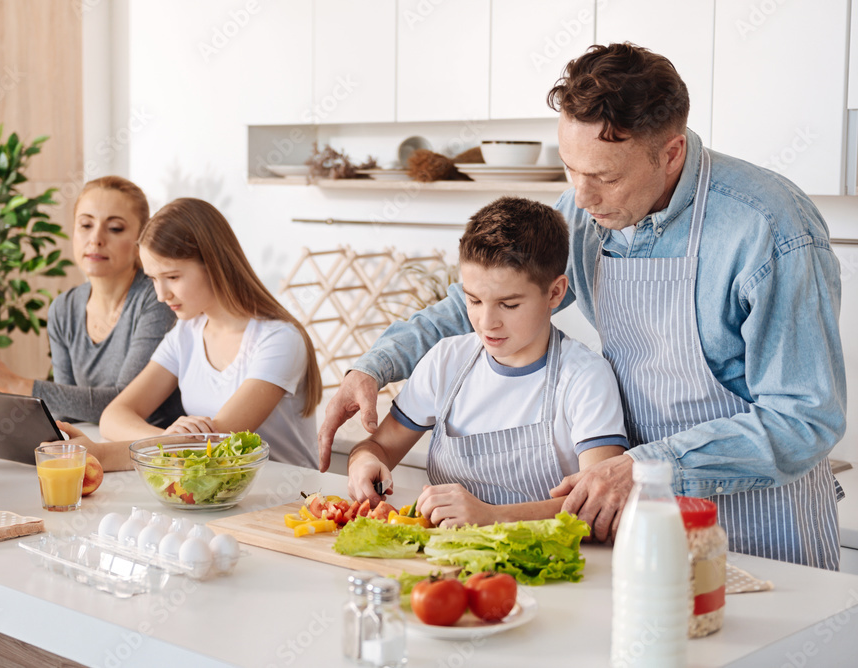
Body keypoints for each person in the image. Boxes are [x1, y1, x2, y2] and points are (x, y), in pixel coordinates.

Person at [320, 43, 846, 570]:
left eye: (606, 178)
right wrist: (375, 365)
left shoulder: (771, 229)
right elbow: (480, 301)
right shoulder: (586, 208)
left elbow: (805, 417)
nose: (583, 198)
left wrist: (644, 467)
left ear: (671, 153)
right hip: (634, 523)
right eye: (571, 169)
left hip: (758, 532)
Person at [347, 197, 629, 528]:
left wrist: (492, 517)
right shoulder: (446, 361)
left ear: (555, 293)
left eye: (508, 304)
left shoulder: (585, 377)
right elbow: (378, 446)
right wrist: (363, 461)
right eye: (474, 300)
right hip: (446, 562)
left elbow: (600, 501)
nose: (486, 322)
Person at [60, 197, 322, 471]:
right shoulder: (186, 333)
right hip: (217, 493)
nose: (161, 295)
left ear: (214, 265)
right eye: (152, 278)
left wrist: (100, 455)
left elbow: (215, 447)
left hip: (290, 501)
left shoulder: (279, 339)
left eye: (172, 277)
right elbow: (114, 416)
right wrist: (166, 440)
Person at [0, 176, 183, 427]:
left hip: (150, 452)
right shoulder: (63, 309)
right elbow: (64, 413)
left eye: (115, 228)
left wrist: (19, 385)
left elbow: (124, 405)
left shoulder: (156, 299)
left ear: (140, 241)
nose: (96, 239)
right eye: (85, 225)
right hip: (90, 446)